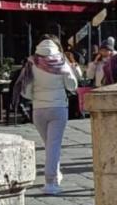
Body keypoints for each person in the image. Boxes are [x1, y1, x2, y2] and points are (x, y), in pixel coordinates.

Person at [24, 38, 77, 194]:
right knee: (54, 145)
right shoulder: (61, 62)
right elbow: (72, 85)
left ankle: (55, 175)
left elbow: (26, 90)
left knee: (49, 144)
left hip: (39, 108)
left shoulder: (32, 63)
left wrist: (35, 97)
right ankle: (51, 181)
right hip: (59, 106)